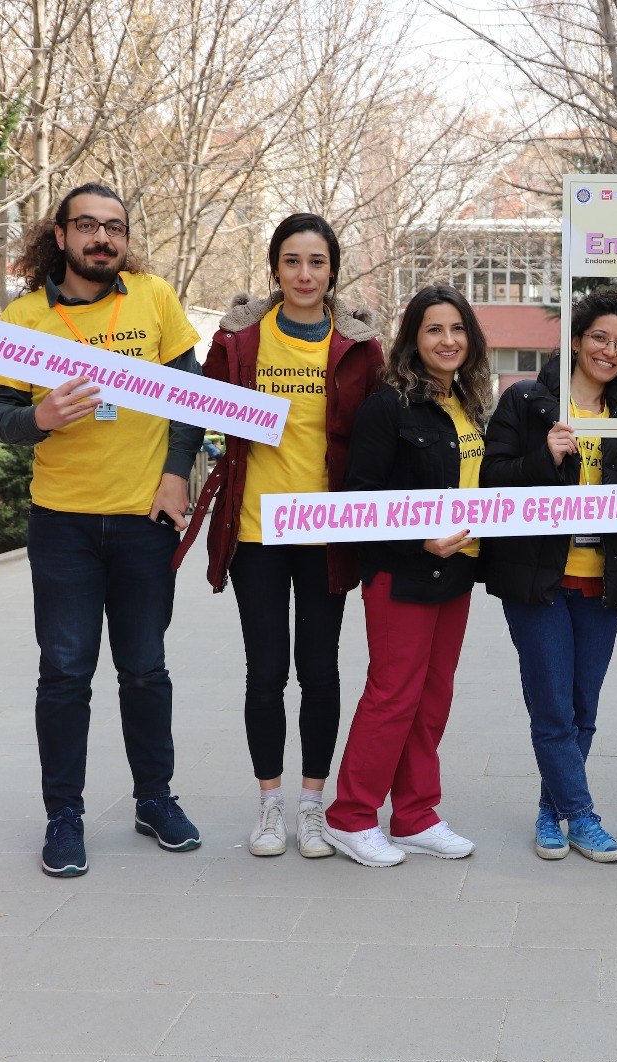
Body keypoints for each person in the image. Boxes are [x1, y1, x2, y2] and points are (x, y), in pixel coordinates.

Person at [0, 183, 205, 878]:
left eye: (115, 227)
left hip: (144, 520)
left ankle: (155, 800)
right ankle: (64, 817)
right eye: (88, 225)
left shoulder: (154, 298)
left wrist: (176, 475)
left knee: (145, 669)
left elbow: (190, 400)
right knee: (65, 674)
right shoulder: (23, 318)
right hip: (63, 527)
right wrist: (38, 418)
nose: (102, 238)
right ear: (61, 235)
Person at [174, 213, 383, 861]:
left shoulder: (360, 348)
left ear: (332, 271)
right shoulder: (239, 339)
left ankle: (313, 806)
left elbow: (382, 434)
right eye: (292, 261)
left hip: (326, 532)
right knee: (265, 671)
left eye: (317, 262)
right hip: (256, 531)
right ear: (274, 269)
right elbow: (193, 408)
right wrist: (173, 475)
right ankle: (270, 804)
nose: (304, 274)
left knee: (319, 670)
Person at [481, 289, 617, 862]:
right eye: (599, 338)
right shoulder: (526, 401)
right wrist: (546, 458)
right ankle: (582, 817)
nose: (609, 351)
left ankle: (551, 810)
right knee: (552, 708)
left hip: (601, 582)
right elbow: (492, 481)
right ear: (576, 341)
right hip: (538, 580)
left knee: (583, 708)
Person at [322, 286, 491, 866]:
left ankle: (416, 814)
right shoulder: (387, 406)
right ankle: (350, 817)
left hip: (458, 570)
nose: (448, 341)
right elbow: (361, 499)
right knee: (393, 694)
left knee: (434, 696)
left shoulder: (470, 404)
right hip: (401, 570)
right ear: (413, 341)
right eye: (434, 330)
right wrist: (419, 537)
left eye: (457, 329)